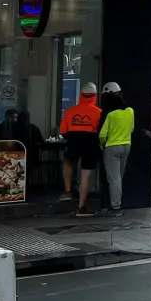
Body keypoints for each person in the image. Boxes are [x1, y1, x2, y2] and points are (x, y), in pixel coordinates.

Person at [59, 83, 102, 216]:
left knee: (67, 162)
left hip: (74, 141)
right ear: (95, 96)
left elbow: (63, 131)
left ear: (80, 95)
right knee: (86, 174)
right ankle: (81, 205)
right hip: (91, 143)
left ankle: (67, 191)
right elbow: (102, 132)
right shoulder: (99, 112)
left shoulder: (70, 111)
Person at [97, 82, 134, 218]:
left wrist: (102, 145)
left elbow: (102, 134)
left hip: (112, 147)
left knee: (113, 179)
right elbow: (131, 128)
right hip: (127, 146)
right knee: (119, 176)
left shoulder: (109, 114)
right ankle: (117, 203)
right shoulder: (130, 111)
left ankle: (115, 207)